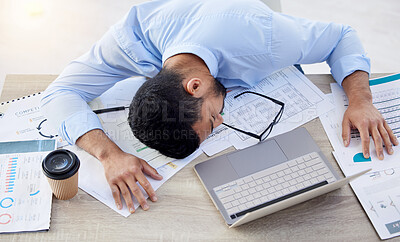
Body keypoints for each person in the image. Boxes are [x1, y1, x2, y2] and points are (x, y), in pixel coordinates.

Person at [40, 0, 398, 214]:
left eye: (213, 118)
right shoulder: (131, 41)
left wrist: (361, 100)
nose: (223, 118)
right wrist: (108, 154)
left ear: (194, 86)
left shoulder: (267, 39)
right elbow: (59, 92)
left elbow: (341, 36)